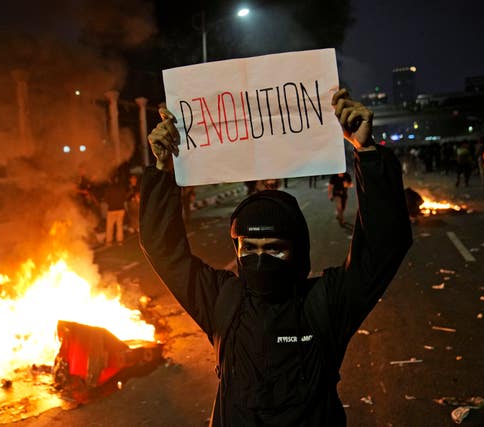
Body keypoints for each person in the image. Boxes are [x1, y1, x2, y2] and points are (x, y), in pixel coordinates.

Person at [139, 88, 412, 426]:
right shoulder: (223, 300)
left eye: (274, 249)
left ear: (297, 250)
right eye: (249, 249)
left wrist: (367, 153)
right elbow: (163, 248)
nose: (260, 260)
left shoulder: (326, 303)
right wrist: (163, 169)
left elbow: (384, 246)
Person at [103, 174, 127, 245]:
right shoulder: (121, 188)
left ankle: (109, 241)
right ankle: (120, 241)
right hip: (121, 209)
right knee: (119, 225)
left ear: (110, 180)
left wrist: (111, 202)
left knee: (110, 226)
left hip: (112, 209)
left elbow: (106, 199)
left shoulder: (109, 188)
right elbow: (124, 198)